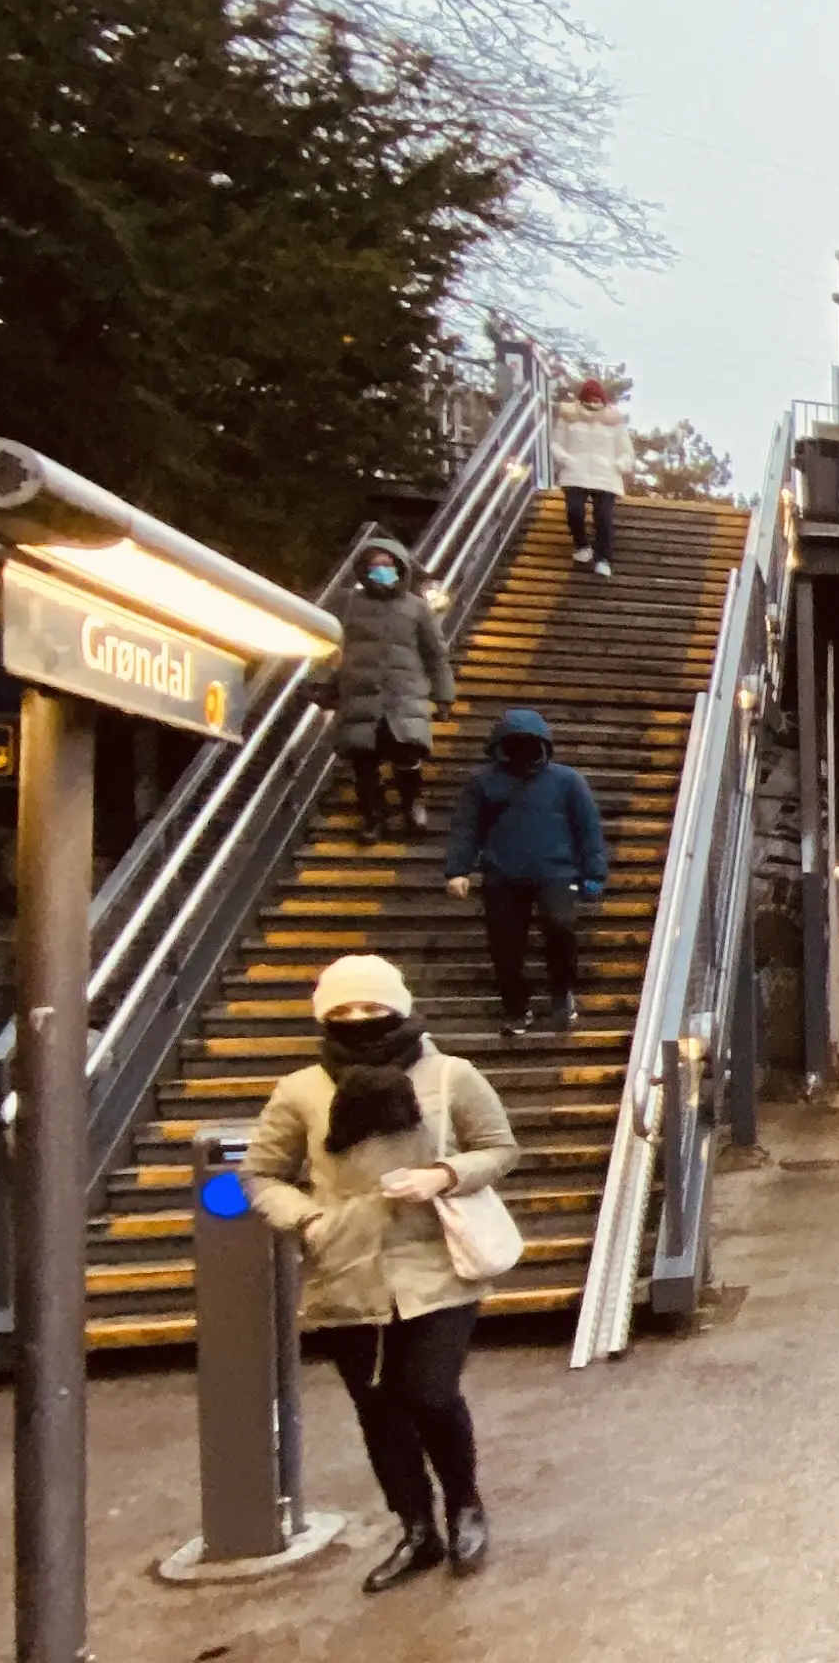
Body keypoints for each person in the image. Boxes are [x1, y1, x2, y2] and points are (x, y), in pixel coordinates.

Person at [242, 954, 519, 1591]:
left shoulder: (450, 1075)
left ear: (398, 1007)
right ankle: (415, 1529)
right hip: (346, 1267)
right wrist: (309, 1220)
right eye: (342, 1011)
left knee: (431, 1391)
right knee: (378, 1409)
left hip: (436, 1261)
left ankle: (465, 1504)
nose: (359, 1020)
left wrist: (445, 1175)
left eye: (371, 1008)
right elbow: (260, 1172)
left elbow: (500, 1147)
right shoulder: (303, 1090)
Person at [445, 707, 609, 1036]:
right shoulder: (483, 783)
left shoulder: (566, 781)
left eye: (528, 743)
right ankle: (517, 1008)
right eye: (514, 743)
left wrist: (593, 873)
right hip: (503, 875)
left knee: (560, 928)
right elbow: (467, 827)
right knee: (506, 947)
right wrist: (458, 869)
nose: (522, 750)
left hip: (556, 873)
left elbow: (587, 828)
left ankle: (561, 993)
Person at [324, 532, 451, 839]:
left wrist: (444, 695)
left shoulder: (417, 607)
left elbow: (435, 654)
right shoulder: (348, 604)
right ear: (363, 569)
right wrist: (322, 685)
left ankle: (412, 806)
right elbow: (328, 647)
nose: (381, 569)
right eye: (374, 564)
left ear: (399, 567)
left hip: (403, 693)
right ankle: (374, 819)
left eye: (387, 563)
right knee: (364, 760)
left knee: (406, 753)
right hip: (359, 693)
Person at [551, 371, 635, 578]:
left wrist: (618, 465)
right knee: (575, 511)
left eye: (597, 398)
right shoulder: (569, 417)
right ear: (582, 399)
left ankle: (603, 558)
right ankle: (581, 545)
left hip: (605, 475)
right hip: (575, 471)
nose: (593, 402)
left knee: (603, 517)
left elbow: (627, 451)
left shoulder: (613, 421)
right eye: (589, 398)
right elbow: (555, 443)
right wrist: (565, 459)